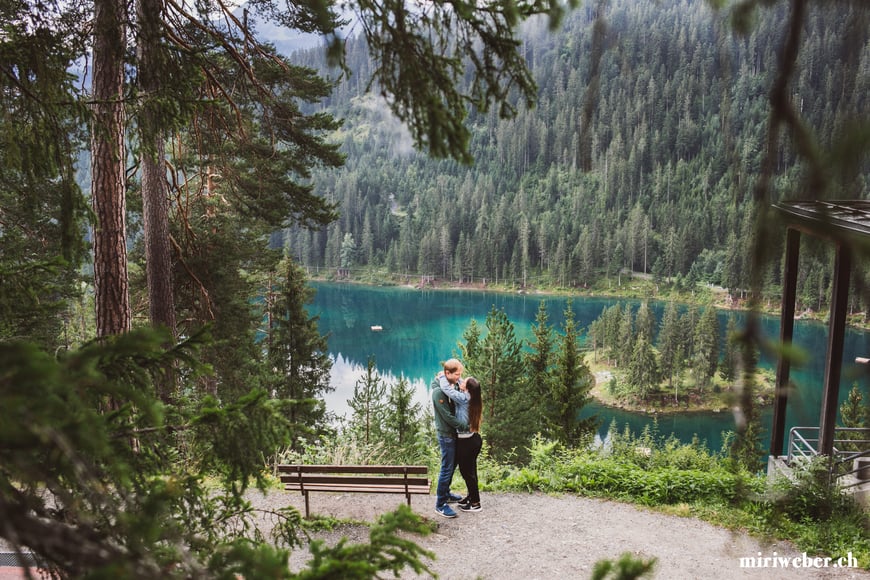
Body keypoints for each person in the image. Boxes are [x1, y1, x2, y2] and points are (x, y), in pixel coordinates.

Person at [436, 373, 483, 512]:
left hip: (467, 442)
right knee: (471, 472)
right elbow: (463, 383)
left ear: (466, 388)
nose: (461, 381)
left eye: (463, 382)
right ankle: (471, 497)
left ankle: (475, 504)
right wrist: (456, 377)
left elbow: (447, 389)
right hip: (473, 439)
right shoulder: (472, 395)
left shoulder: (463, 398)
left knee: (467, 473)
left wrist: (442, 377)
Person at [431, 358, 467, 518]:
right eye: (457, 374)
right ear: (447, 373)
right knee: (446, 468)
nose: (459, 377)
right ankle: (440, 504)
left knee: (451, 466)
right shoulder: (439, 392)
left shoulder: (451, 384)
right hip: (446, 435)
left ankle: (446, 494)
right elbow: (447, 417)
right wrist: (465, 426)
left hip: (453, 434)